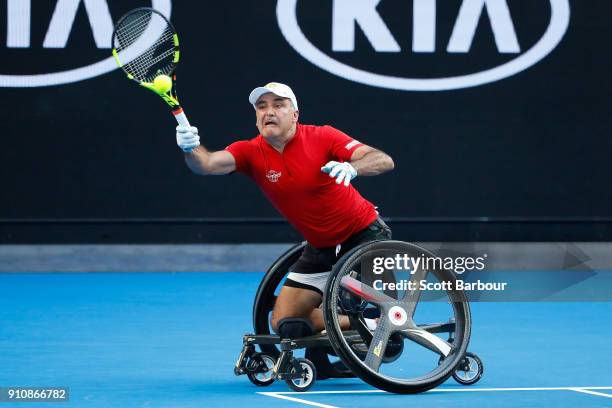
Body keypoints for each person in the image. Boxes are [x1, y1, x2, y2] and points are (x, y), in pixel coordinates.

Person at [175, 82, 394, 339]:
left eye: (279, 105)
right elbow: (207, 164)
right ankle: (365, 325)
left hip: (364, 237)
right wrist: (190, 149)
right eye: (261, 106)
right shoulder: (249, 151)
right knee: (286, 322)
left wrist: (353, 168)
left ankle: (373, 320)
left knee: (358, 302)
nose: (269, 112)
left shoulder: (323, 136)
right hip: (320, 247)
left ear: (295, 115)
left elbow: (383, 160)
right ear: (256, 117)